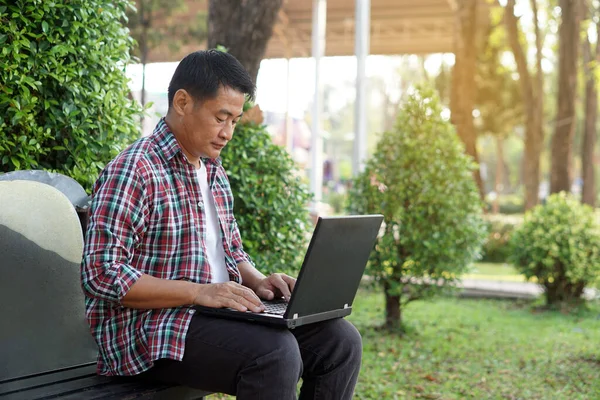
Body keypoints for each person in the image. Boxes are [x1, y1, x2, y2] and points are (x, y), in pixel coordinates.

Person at [80, 50, 362, 400]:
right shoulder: (134, 169)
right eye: (221, 117)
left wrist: (258, 282)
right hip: (148, 328)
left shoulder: (212, 170)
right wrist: (200, 291)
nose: (227, 132)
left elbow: (229, 252)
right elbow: (101, 274)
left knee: (340, 342)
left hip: (211, 316)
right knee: (274, 353)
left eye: (234, 121)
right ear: (182, 102)